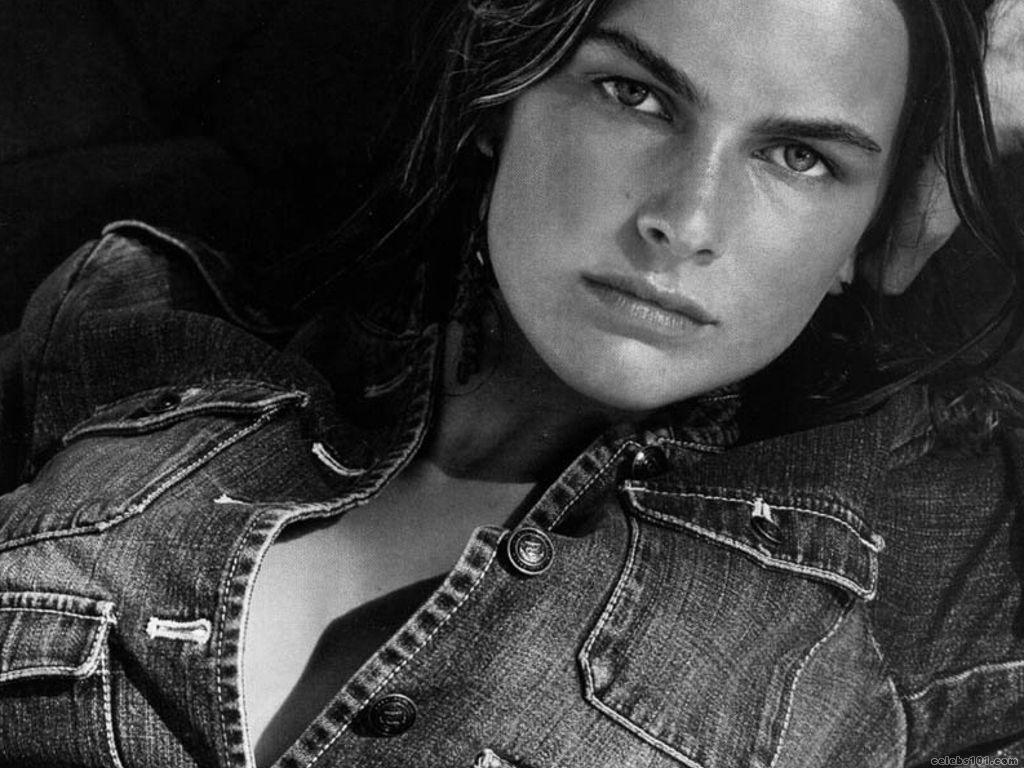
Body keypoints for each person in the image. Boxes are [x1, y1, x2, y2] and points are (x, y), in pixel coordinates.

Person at [0, 0, 1022, 766]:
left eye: (799, 156)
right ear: (502, 103)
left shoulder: (929, 576)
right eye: (635, 96)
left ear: (872, 234)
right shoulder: (142, 326)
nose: (684, 220)